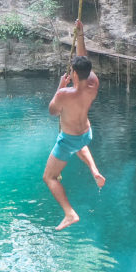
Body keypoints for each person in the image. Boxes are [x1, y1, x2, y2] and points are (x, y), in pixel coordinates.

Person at [43, 19, 105, 230]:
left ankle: (70, 214)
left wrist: (60, 86)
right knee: (81, 144)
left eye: (72, 70)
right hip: (86, 133)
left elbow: (52, 111)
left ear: (74, 75)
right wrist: (80, 34)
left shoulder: (64, 94)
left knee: (49, 177)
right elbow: (84, 59)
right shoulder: (93, 84)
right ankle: (94, 170)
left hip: (69, 139)